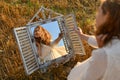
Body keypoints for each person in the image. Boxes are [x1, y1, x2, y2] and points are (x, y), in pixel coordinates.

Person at [67, 0, 120, 80]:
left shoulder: (102, 55)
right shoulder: (116, 39)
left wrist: (102, 48)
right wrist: (82, 35)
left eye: (99, 11)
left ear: (107, 16)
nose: (96, 15)